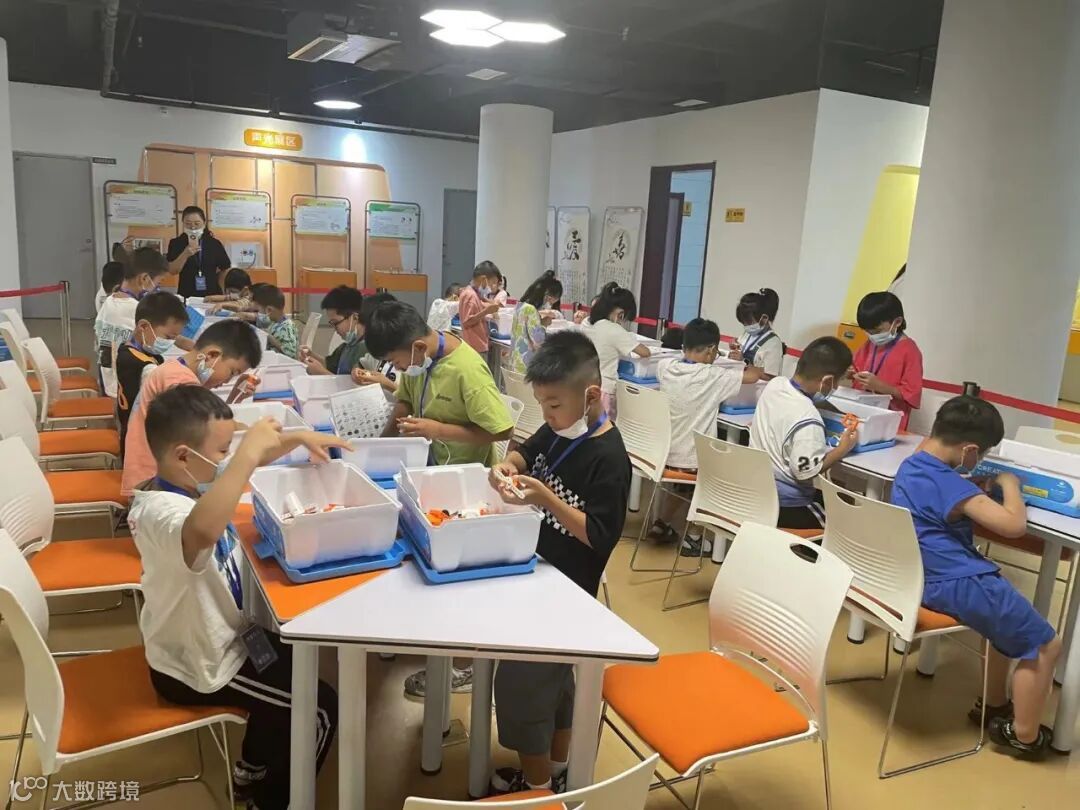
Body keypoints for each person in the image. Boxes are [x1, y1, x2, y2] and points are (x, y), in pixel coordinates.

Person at [131, 385, 344, 809]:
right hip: (199, 665)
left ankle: (253, 767)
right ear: (183, 456)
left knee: (294, 660)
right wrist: (246, 454)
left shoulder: (192, 482)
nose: (228, 459)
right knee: (319, 707)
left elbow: (240, 466)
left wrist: (299, 438)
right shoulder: (158, 512)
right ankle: (271, 801)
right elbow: (201, 530)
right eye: (222, 451)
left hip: (229, 637)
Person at [487, 331, 631, 795]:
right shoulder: (561, 427)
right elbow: (528, 448)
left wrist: (546, 498)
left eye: (554, 405)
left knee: (522, 687)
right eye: (541, 405)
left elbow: (600, 536)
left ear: (591, 396)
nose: (547, 415)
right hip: (540, 573)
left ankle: (536, 790)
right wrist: (509, 465)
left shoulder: (609, 458)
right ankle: (557, 769)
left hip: (568, 593)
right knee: (557, 687)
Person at [891, 396, 1061, 759]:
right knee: (1046, 644)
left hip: (922, 577)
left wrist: (971, 487)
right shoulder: (952, 485)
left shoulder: (912, 465)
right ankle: (1025, 735)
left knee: (1002, 624)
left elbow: (943, 497)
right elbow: (1013, 526)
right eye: (981, 454)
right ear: (969, 450)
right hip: (957, 583)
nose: (980, 459)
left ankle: (994, 704)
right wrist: (1010, 485)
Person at [366, 300, 514, 700]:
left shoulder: (467, 370)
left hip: (463, 487)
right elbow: (405, 400)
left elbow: (501, 431)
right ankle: (414, 633)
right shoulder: (420, 362)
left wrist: (438, 429)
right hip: (426, 473)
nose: (396, 368)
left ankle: (463, 665)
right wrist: (380, 443)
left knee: (451, 580)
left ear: (417, 346)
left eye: (395, 360)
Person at [652, 318, 764, 553]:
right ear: (712, 350)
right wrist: (753, 361)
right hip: (693, 461)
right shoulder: (713, 376)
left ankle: (661, 523)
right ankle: (693, 538)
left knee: (684, 484)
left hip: (663, 454)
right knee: (717, 476)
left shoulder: (665, 367)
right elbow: (753, 376)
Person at [122, 319, 262, 496]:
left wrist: (236, 394)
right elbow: (208, 426)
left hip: (150, 475)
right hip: (156, 481)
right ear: (212, 355)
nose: (228, 380)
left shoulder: (174, 368)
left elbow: (207, 422)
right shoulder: (179, 380)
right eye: (232, 372)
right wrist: (257, 435)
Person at [749, 336, 856, 529]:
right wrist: (842, 450)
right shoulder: (809, 418)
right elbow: (804, 473)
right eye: (838, 381)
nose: (837, 387)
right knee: (850, 519)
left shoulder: (775, 385)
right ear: (827, 380)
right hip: (787, 505)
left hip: (757, 494)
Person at [115, 292, 190, 453]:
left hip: (130, 435)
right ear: (143, 326)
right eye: (168, 337)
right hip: (142, 446)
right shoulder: (146, 367)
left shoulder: (128, 349)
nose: (170, 342)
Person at [94, 247, 171, 397]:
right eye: (158, 282)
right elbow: (155, 344)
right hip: (128, 385)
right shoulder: (135, 309)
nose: (157, 287)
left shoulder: (110, 302)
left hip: (109, 379)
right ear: (144, 278)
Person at [851, 291, 923, 431]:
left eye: (877, 331)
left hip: (890, 421)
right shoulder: (870, 344)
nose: (872, 336)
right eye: (868, 332)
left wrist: (882, 387)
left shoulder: (910, 350)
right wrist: (851, 373)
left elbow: (912, 394)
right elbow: (856, 368)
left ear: (897, 322)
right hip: (862, 414)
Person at [585, 282, 651, 419]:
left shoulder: (587, 323)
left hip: (584, 385)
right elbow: (645, 352)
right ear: (621, 313)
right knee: (603, 428)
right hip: (604, 389)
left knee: (587, 426)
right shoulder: (614, 330)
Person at [166, 206, 232, 298]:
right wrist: (185, 254)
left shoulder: (214, 243)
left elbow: (225, 267)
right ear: (183, 223)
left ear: (204, 223)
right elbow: (172, 271)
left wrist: (221, 287)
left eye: (197, 223)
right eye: (188, 223)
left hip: (211, 294)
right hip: (186, 294)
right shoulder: (176, 243)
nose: (193, 227)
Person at [300, 286, 367, 375]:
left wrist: (321, 372)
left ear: (354, 317)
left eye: (335, 322)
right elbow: (330, 365)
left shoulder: (366, 350)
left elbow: (355, 383)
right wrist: (311, 355)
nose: (334, 329)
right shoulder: (347, 346)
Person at [509, 271, 563, 374]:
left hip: (515, 361)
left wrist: (540, 322)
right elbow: (538, 341)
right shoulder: (531, 310)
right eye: (551, 302)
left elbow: (525, 330)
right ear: (547, 296)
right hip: (525, 365)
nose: (549, 305)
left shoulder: (520, 305)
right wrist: (544, 324)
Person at [232, 285, 299, 359]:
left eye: (259, 311)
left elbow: (291, 353)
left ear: (269, 310)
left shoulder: (287, 327)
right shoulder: (274, 321)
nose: (259, 314)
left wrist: (269, 337)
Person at [729, 287, 784, 377]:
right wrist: (735, 347)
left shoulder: (774, 344)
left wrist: (744, 362)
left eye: (749, 322)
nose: (746, 326)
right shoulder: (748, 333)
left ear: (764, 319)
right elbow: (741, 348)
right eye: (744, 323)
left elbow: (769, 376)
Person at [457, 261, 501, 355]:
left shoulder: (474, 294)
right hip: (475, 346)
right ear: (484, 279)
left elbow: (479, 305)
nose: (492, 287)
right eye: (492, 283)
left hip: (478, 344)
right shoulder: (470, 295)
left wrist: (489, 304)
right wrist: (486, 311)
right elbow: (467, 321)